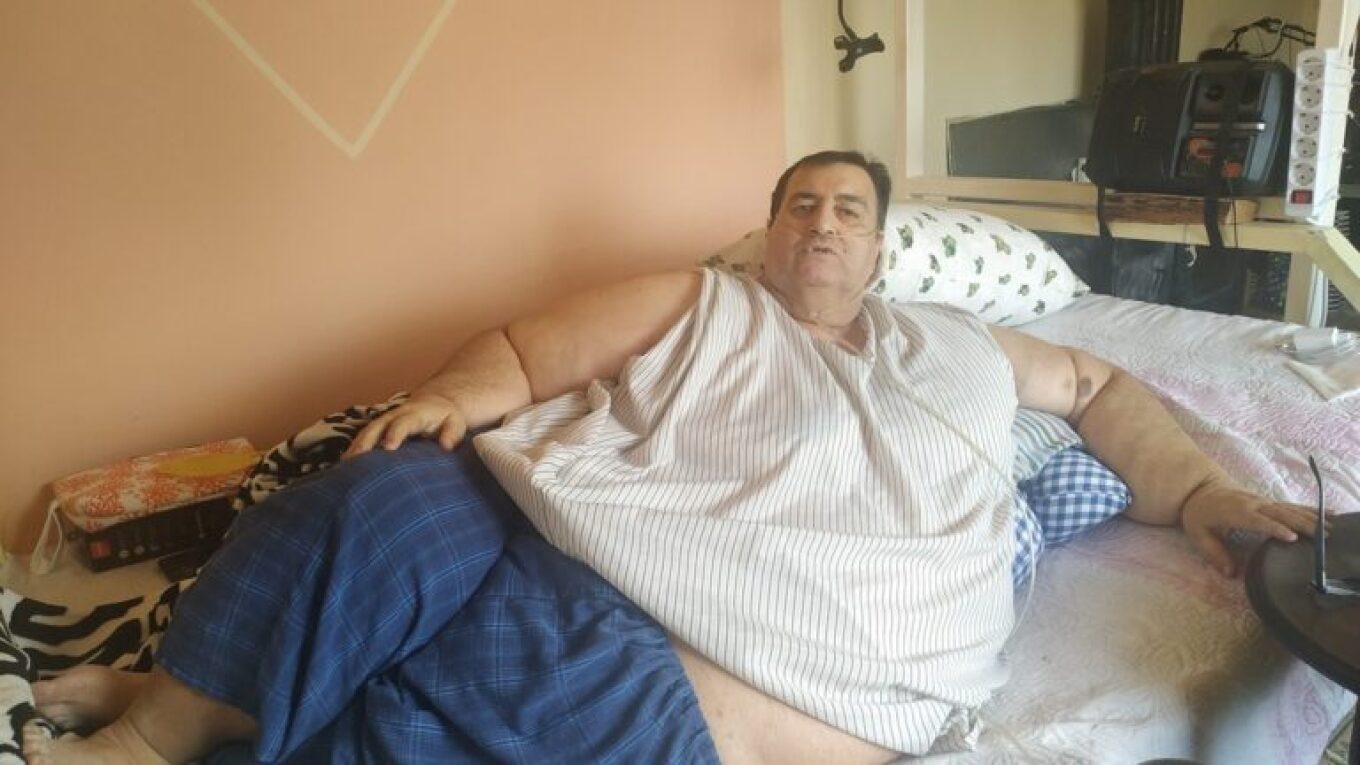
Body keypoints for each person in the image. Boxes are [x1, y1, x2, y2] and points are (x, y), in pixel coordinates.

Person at [23, 151, 1318, 764]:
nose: (822, 223)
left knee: (460, 704)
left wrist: (1202, 490)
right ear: (767, 234)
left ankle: (220, 702)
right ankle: (163, 722)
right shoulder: (702, 301)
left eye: (850, 210)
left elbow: (1099, 383)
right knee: (381, 497)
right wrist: (452, 395)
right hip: (580, 540)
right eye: (799, 204)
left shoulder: (966, 345)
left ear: (882, 248)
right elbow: (522, 355)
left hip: (706, 673)